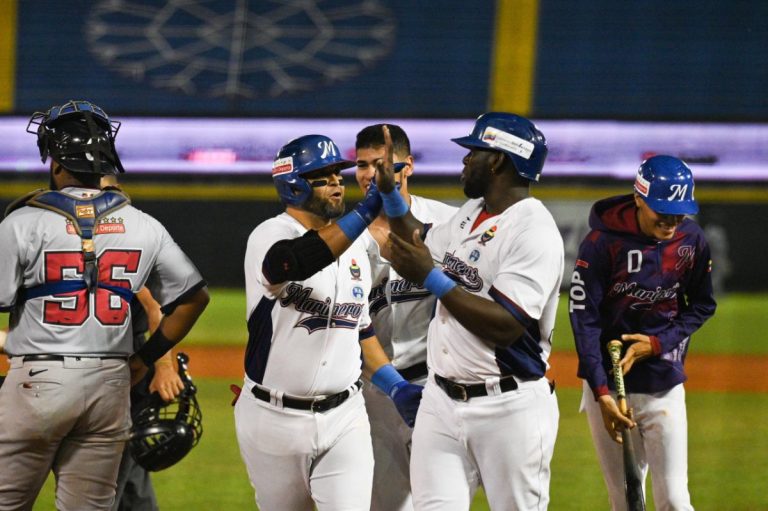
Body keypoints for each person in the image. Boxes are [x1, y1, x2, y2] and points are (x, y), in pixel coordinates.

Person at [0, 100, 209, 510]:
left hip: (38, 378)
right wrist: (147, 357)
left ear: (56, 162)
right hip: (111, 385)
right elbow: (194, 298)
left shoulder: (22, 222)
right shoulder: (144, 224)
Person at [375, 113, 564, 510]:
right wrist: (391, 194)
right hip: (440, 401)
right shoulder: (471, 213)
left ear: (497, 160)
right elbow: (415, 236)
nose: (465, 161)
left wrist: (431, 277)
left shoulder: (534, 230)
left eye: (473, 152)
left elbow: (507, 325)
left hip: (507, 405)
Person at [235, 134, 422, 511]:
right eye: (323, 176)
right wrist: (368, 209)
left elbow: (361, 329)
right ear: (293, 183)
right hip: (274, 418)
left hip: (345, 418)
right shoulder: (269, 235)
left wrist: (396, 386)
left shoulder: (355, 247)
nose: (338, 182)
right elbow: (294, 262)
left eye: (338, 173)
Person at [568, 155, 716, 511]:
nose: (671, 221)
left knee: (676, 501)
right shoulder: (602, 243)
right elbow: (583, 317)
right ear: (639, 198)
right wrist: (601, 391)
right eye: (662, 211)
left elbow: (702, 305)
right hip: (607, 384)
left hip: (662, 382)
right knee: (626, 502)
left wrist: (657, 343)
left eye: (679, 212)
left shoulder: (692, 240)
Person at [354, 124, 457, 511]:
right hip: (375, 391)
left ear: (407, 165)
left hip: (440, 388)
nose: (369, 174)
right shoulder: (347, 237)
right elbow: (349, 327)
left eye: (380, 164)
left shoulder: (449, 225)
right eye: (362, 165)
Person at [100, 172, 185, 511]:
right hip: (101, 372)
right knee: (125, 476)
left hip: (126, 371)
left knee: (116, 477)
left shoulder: (127, 241)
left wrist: (162, 365)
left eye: (114, 191)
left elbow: (156, 307)